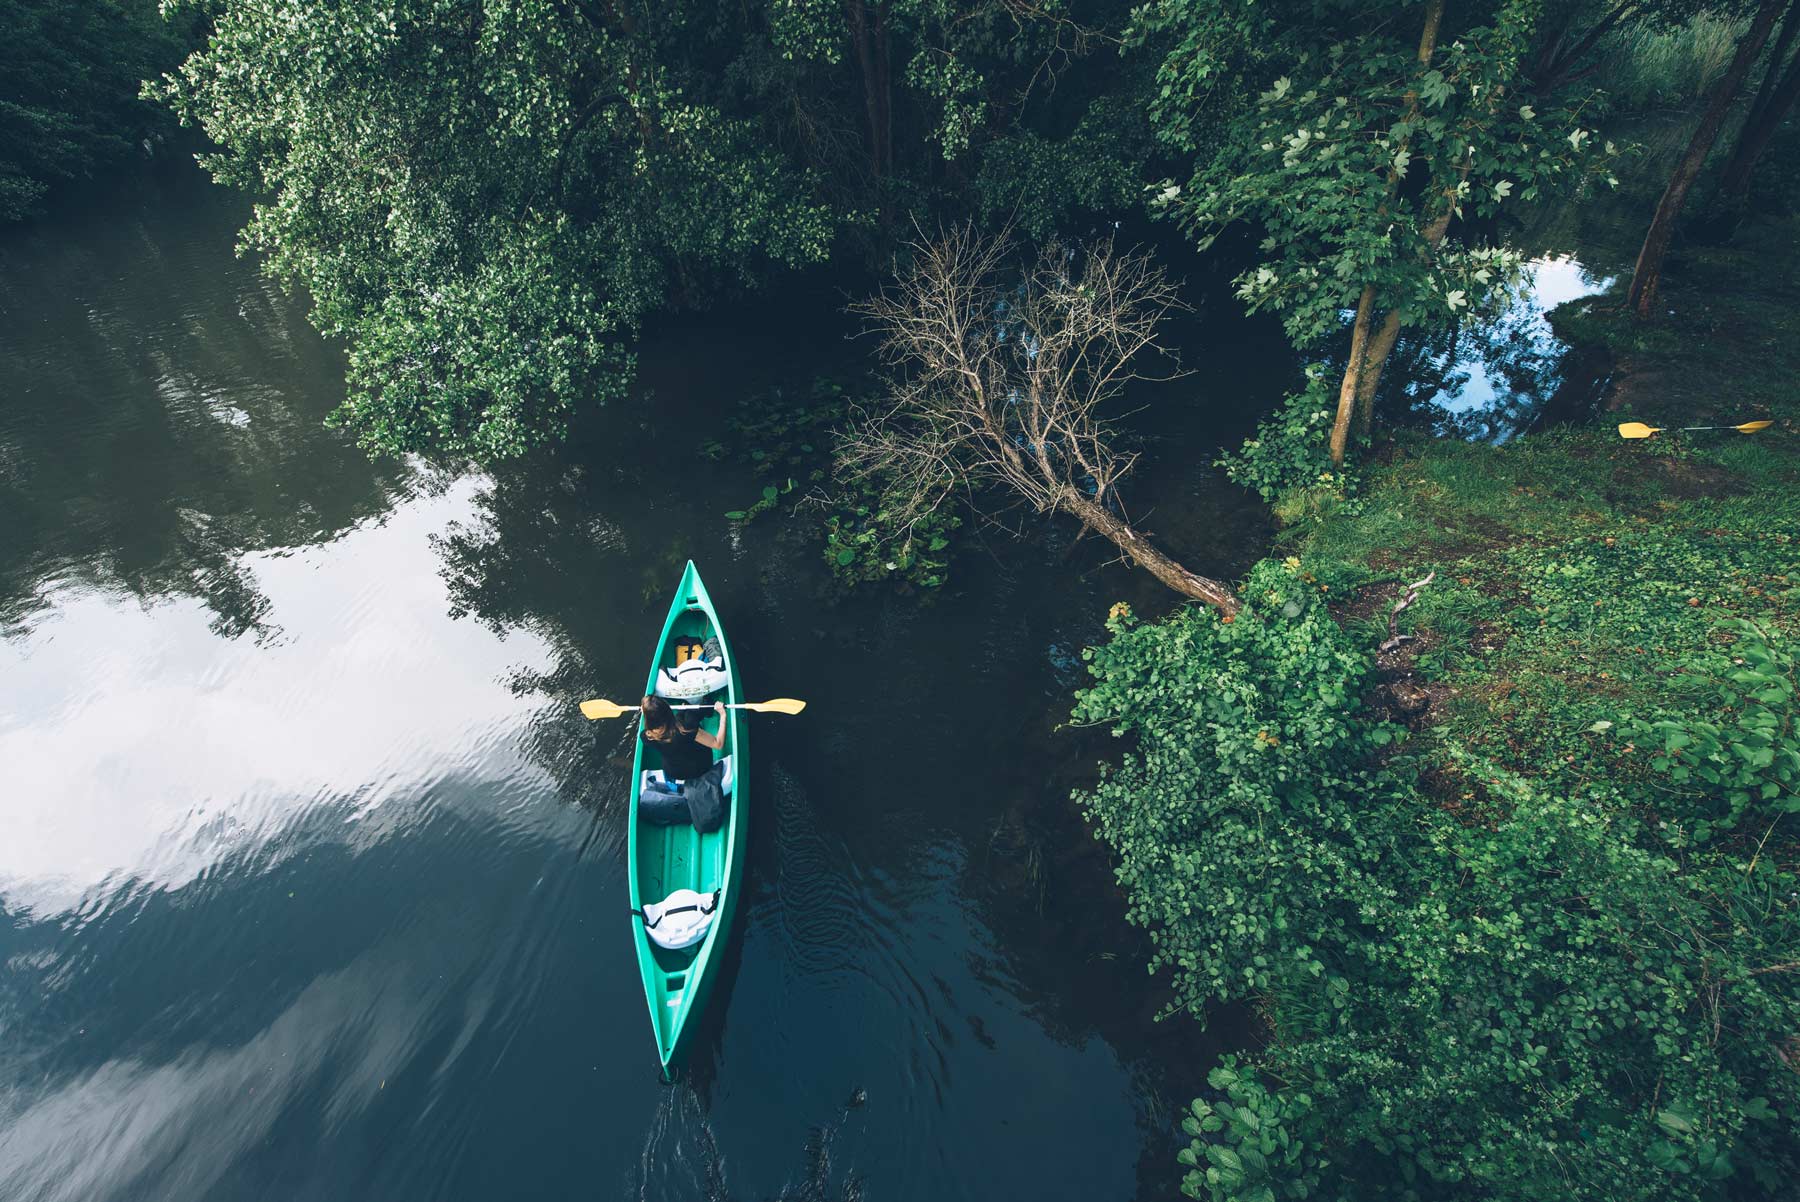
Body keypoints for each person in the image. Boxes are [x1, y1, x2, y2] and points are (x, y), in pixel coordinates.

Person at [640, 694, 725, 784]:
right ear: (668, 710)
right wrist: (722, 714)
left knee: (687, 715)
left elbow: (670, 727)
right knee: (690, 715)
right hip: (700, 768)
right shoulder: (686, 727)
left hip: (674, 773)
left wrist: (681, 712)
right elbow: (718, 744)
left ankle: (701, 710)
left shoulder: (646, 737)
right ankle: (706, 709)